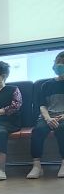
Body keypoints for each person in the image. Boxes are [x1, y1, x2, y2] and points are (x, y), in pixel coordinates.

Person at [28, 51, 64, 179]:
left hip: (63, 117)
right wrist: (48, 118)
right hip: (48, 116)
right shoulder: (46, 85)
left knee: (62, 129)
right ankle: (37, 166)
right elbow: (42, 105)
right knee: (38, 130)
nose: (60, 65)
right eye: (58, 62)